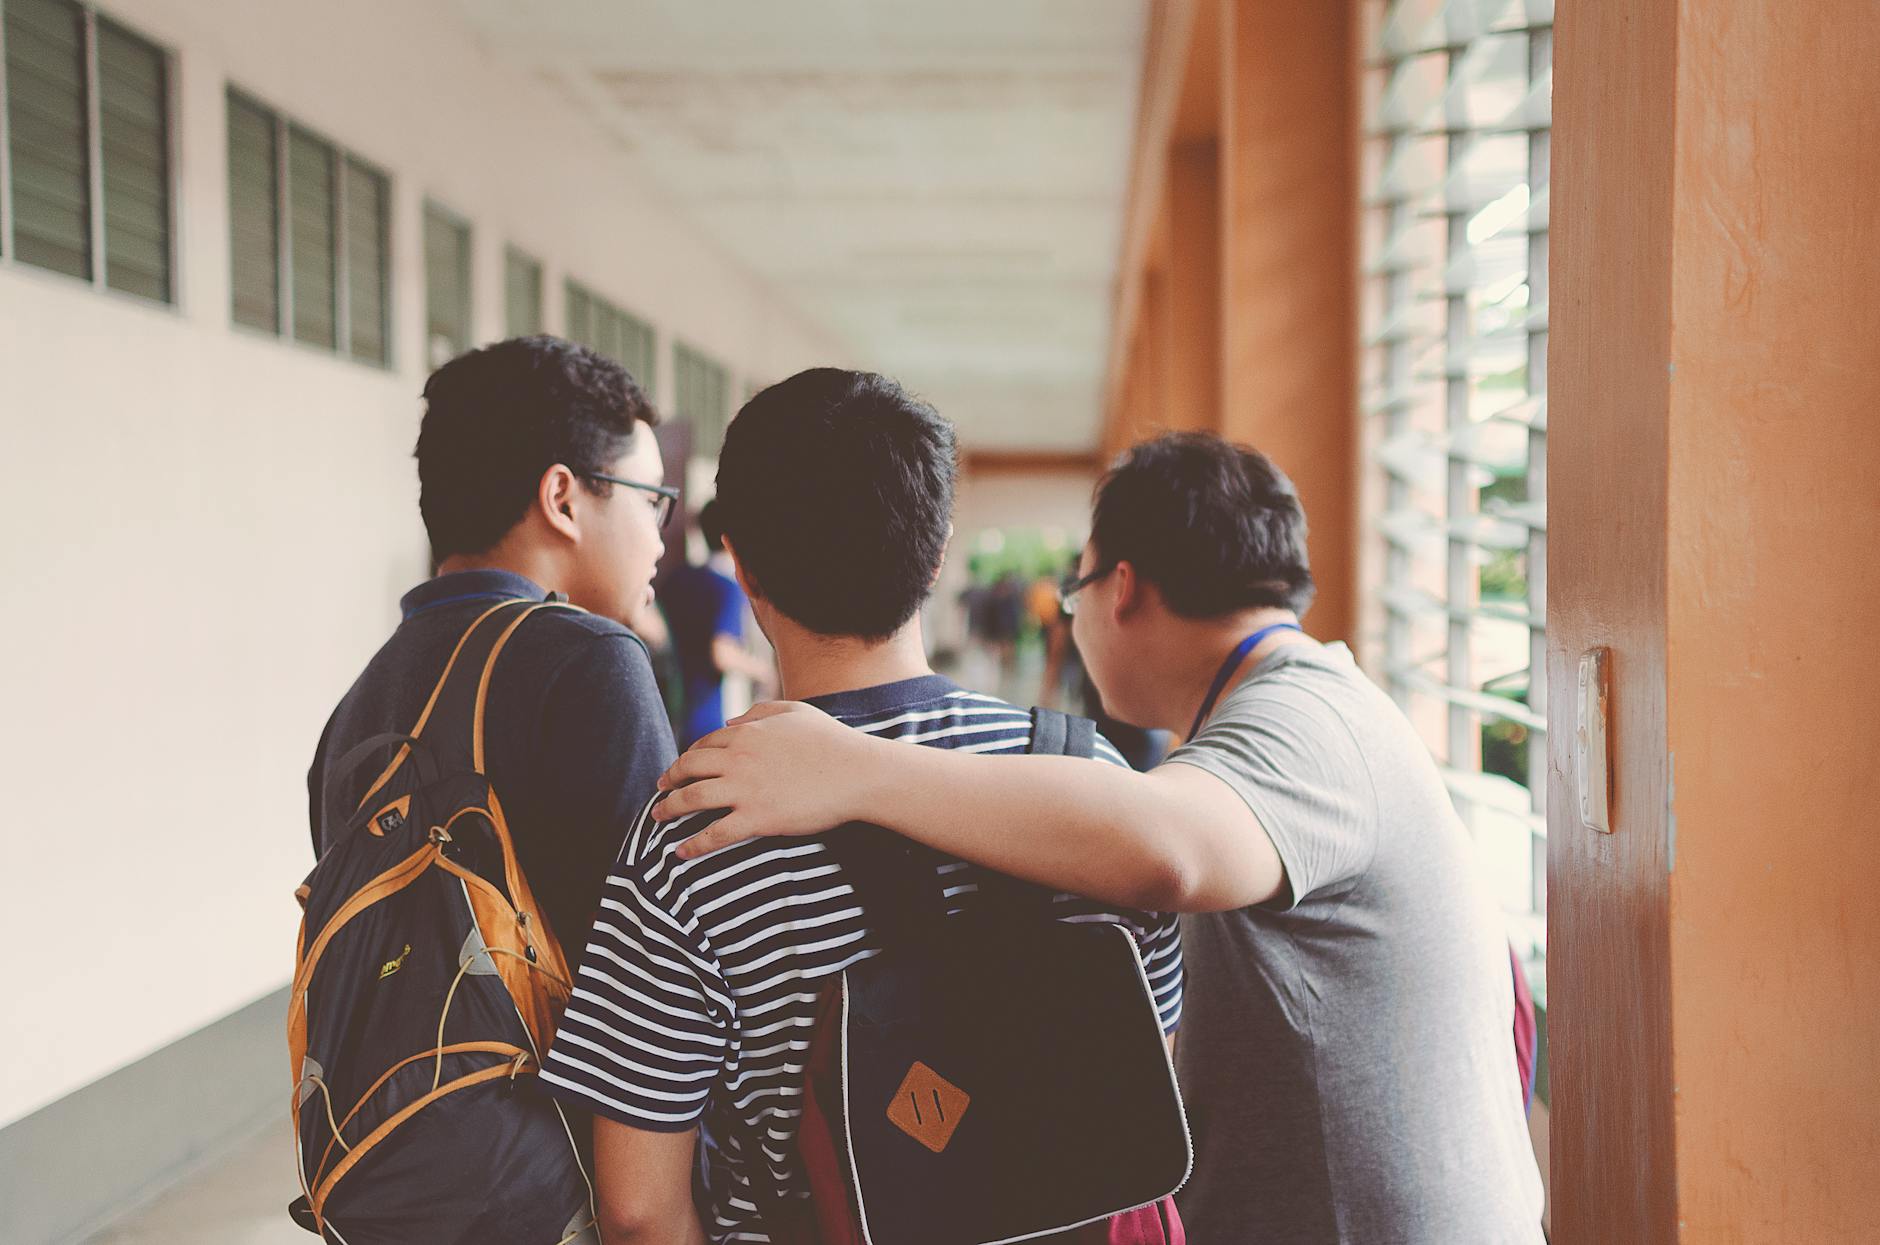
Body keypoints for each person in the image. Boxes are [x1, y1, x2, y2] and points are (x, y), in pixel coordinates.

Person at [655, 432, 1547, 1244]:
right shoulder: (1303, 704)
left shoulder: (1308, 719)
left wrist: (853, 769)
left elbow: (1167, 851)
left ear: (1119, 589)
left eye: (1074, 587)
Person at [535, 369, 1183, 1245]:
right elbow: (1153, 1067)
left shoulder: (696, 827)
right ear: (939, 550)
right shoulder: (1087, 783)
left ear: (744, 565)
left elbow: (640, 1207)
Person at [308, 335, 677, 958]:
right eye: (652, 501)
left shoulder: (359, 703)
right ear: (563, 498)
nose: (660, 539)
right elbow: (662, 967)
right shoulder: (592, 659)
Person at [661, 498, 773, 746]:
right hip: (709, 716)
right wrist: (764, 671)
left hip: (668, 709)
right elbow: (721, 653)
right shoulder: (728, 588)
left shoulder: (678, 578)